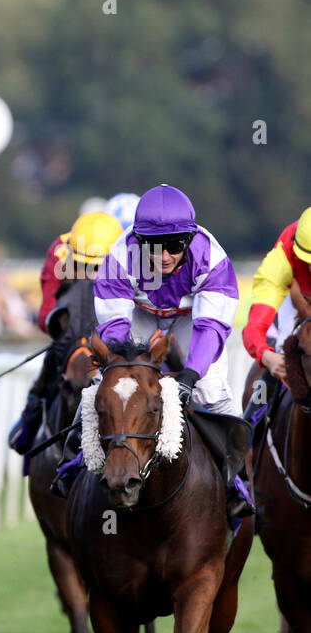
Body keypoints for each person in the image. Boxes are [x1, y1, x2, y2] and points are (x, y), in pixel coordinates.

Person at [56, 184, 251, 519]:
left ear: (189, 240)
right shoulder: (121, 255)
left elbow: (212, 328)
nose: (163, 257)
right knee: (109, 384)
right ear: (139, 241)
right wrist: (122, 363)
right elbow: (114, 322)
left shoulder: (212, 259)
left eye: (174, 247)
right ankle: (73, 461)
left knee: (209, 390)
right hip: (143, 316)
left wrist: (190, 375)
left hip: (195, 321)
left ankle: (238, 482)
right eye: (154, 247)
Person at [8, 211, 123, 453]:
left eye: (98, 268)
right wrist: (72, 335)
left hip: (115, 333)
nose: (91, 274)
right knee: (53, 364)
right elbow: (45, 317)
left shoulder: (132, 254)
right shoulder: (57, 252)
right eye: (84, 266)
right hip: (73, 335)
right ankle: (30, 420)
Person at [240, 207, 311, 438]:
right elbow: (254, 329)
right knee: (280, 357)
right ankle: (246, 444)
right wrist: (266, 356)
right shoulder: (282, 257)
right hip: (299, 298)